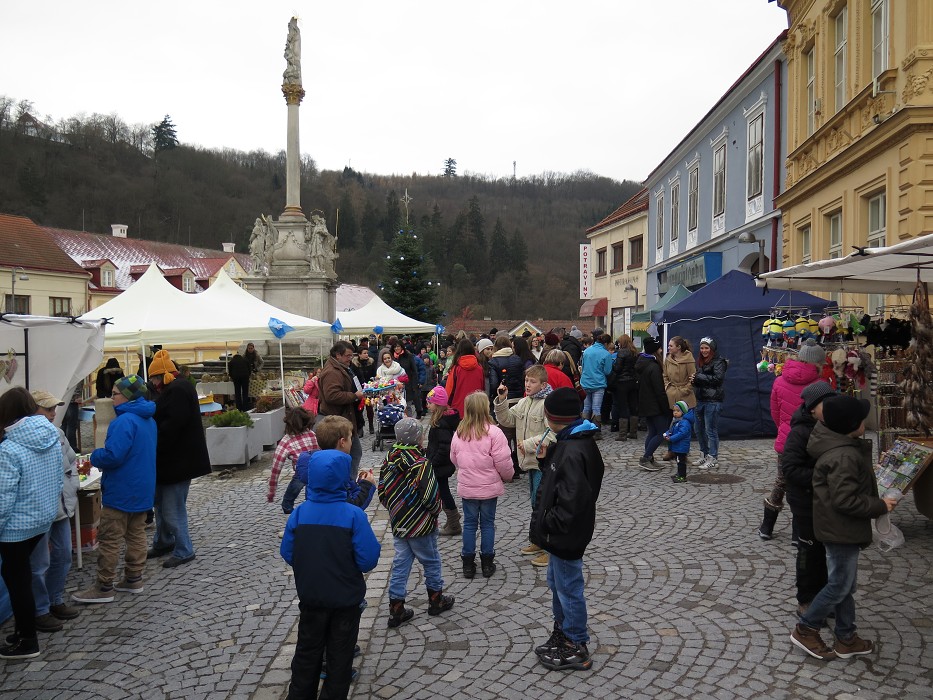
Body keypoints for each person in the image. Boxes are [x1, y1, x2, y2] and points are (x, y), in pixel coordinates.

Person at [790, 395, 898, 661]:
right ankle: (806, 628)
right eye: (862, 419)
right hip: (840, 529)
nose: (864, 422)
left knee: (844, 585)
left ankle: (846, 637)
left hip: (838, 527)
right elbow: (845, 500)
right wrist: (880, 505)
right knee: (839, 585)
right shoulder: (844, 455)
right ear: (852, 425)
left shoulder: (841, 447)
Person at [280, 415, 380, 699]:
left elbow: (288, 552)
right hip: (345, 599)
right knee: (339, 659)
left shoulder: (299, 514)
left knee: (307, 653)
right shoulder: (352, 515)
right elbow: (368, 560)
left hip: (311, 596)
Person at [529, 387, 604, 672]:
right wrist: (547, 460)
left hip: (565, 534)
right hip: (561, 534)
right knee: (556, 583)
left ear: (551, 417)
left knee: (569, 587)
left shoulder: (573, 450)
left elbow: (571, 501)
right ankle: (561, 631)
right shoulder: (570, 442)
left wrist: (549, 524)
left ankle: (576, 643)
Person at [73, 376, 157, 604]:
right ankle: (133, 578)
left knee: (110, 538)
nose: (111, 398)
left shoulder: (124, 422)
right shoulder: (148, 419)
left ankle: (104, 586)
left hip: (122, 489)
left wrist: (95, 455)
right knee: (136, 533)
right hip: (142, 488)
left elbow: (113, 455)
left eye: (115, 394)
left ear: (128, 397)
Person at [0, 388, 64, 660]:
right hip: (41, 520)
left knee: (17, 582)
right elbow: (57, 480)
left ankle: (28, 640)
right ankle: (23, 632)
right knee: (21, 577)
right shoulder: (52, 436)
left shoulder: (9, 448)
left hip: (16, 527)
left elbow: (3, 497)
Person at [378, 418, 455, 629]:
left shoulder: (389, 461)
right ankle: (436, 599)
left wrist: (396, 510)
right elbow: (431, 496)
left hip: (400, 523)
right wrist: (434, 512)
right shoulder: (421, 464)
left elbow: (382, 492)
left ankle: (396, 608)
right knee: (431, 561)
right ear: (417, 439)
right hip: (421, 524)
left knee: (401, 564)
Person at [146, 349, 211, 568]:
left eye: (154, 378)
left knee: (172, 508)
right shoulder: (176, 388)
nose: (153, 383)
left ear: (163, 374)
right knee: (162, 505)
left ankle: (184, 549)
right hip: (172, 460)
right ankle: (164, 541)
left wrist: (153, 440)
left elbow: (173, 426)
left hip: (178, 461)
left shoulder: (178, 390)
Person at [761, 338, 826, 541]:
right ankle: (800, 533)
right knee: (809, 482)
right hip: (815, 440)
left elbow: (775, 413)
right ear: (818, 362)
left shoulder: (779, 380)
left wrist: (785, 429)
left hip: (786, 440)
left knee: (782, 480)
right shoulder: (821, 385)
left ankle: (767, 527)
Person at [781, 381, 836, 616]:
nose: (831, 407)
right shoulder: (800, 432)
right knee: (808, 550)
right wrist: (823, 477)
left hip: (825, 501)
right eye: (826, 403)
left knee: (825, 550)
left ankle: (824, 596)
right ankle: (806, 598)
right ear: (813, 407)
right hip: (805, 502)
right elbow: (790, 469)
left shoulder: (831, 426)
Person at [28, 391, 81, 630]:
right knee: (39, 563)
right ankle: (39, 610)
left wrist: (73, 485)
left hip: (60, 506)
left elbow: (71, 462)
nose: (53, 413)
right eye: (47, 409)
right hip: (40, 509)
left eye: (54, 409)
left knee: (63, 556)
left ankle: (54, 600)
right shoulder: (24, 438)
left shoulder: (59, 434)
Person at [494, 365, 553, 567]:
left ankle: (549, 548)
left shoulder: (548, 404)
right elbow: (508, 420)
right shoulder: (525, 402)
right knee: (535, 505)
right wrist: (501, 401)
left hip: (542, 462)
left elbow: (552, 433)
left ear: (543, 384)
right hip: (529, 462)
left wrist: (528, 444)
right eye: (527, 380)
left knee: (543, 505)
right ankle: (537, 541)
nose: (528, 384)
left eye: (533, 381)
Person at [449, 391, 513, 579]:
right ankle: (487, 561)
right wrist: (507, 476)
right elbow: (503, 460)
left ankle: (468, 562)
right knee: (487, 524)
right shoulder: (494, 432)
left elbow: (454, 458)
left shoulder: (459, 433)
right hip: (488, 487)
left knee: (469, 524)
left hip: (468, 486)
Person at [317, 341, 366, 477]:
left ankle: (347, 484)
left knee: (354, 453)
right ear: (338, 355)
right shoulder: (332, 372)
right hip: (337, 421)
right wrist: (354, 396)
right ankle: (347, 486)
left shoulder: (341, 367)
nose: (350, 359)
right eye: (348, 356)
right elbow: (331, 395)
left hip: (344, 419)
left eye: (351, 355)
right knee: (352, 453)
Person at [267, 407, 319, 513]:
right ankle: (311, 506)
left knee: (292, 490)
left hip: (300, 471)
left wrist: (271, 492)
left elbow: (276, 467)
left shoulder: (286, 441)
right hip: (316, 470)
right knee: (311, 490)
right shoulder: (312, 435)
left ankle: (287, 506)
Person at [425, 387, 461, 537]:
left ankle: (454, 522)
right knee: (442, 492)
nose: (427, 405)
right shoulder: (441, 421)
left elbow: (444, 447)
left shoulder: (441, 424)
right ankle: (452, 518)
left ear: (438, 405)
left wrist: (433, 462)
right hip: (440, 464)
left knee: (443, 493)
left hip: (440, 465)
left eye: (430, 402)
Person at [691, 336, 727, 469]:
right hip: (700, 399)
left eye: (706, 348)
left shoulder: (719, 361)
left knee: (710, 430)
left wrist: (698, 376)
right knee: (698, 429)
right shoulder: (701, 361)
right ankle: (704, 454)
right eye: (702, 348)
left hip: (713, 400)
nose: (704, 350)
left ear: (712, 348)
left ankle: (713, 458)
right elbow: (702, 379)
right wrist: (694, 379)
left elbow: (718, 379)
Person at [635, 337, 669, 471]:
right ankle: (646, 457)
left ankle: (650, 459)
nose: (661, 350)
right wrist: (665, 407)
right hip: (654, 405)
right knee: (662, 432)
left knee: (652, 432)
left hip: (645, 403)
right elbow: (659, 391)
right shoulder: (653, 367)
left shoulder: (642, 362)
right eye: (660, 348)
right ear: (655, 350)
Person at [662, 336, 696, 460]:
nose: (669, 347)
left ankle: (683, 453)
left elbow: (692, 377)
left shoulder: (689, 359)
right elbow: (665, 375)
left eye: (671, 345)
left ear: (679, 347)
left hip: (685, 396)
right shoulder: (668, 359)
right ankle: (671, 450)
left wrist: (685, 390)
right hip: (672, 395)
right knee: (672, 426)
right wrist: (668, 388)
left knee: (684, 426)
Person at [579, 334, 614, 439]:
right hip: (598, 384)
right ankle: (596, 432)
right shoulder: (606, 354)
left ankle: (584, 429)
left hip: (585, 382)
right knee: (596, 408)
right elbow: (607, 371)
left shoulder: (587, 351)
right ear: (606, 343)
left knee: (586, 407)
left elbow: (583, 366)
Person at [444, 338, 486, 420]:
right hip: (476, 408)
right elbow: (483, 388)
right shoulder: (480, 368)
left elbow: (449, 389)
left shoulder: (456, 368)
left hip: (459, 409)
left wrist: (446, 406)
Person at [609, 335, 639, 442]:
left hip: (622, 383)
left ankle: (622, 434)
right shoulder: (634, 352)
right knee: (633, 406)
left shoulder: (622, 352)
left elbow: (617, 368)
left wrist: (612, 365)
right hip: (633, 382)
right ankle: (633, 432)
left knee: (622, 407)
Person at [663, 401, 695, 484]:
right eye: (674, 411)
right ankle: (679, 474)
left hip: (681, 447)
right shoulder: (677, 421)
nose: (675, 413)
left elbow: (682, 434)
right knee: (678, 461)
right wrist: (666, 434)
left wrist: (671, 438)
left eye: (678, 411)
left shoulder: (684, 422)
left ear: (683, 412)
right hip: (677, 446)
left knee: (681, 462)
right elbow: (671, 431)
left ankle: (682, 476)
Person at [352, 349, 378, 433]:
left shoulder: (371, 362)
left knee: (369, 407)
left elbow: (374, 374)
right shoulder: (354, 364)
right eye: (364, 353)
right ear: (359, 354)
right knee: (360, 409)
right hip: (359, 388)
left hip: (369, 388)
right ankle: (360, 427)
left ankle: (371, 425)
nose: (367, 355)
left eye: (367, 353)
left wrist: (372, 382)